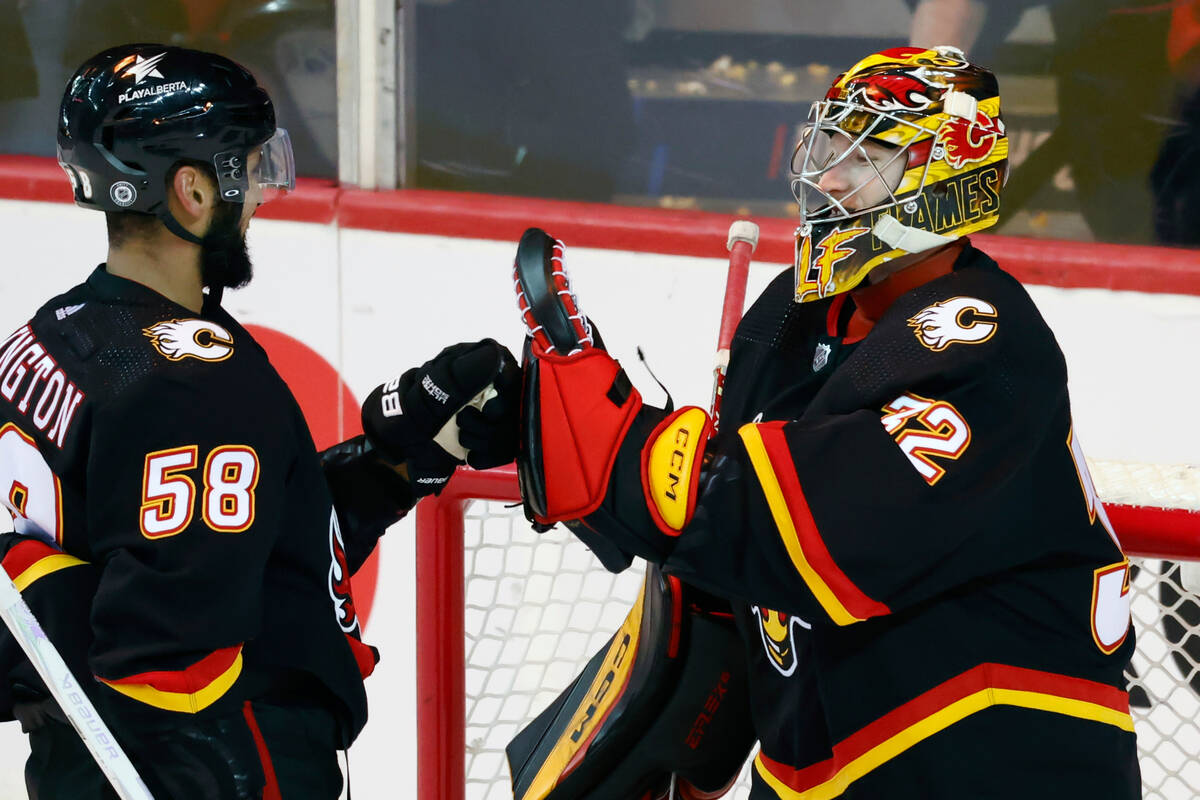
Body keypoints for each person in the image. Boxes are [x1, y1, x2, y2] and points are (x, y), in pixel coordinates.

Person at [512, 46, 1140, 798]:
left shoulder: (988, 345)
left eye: (870, 151)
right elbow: (730, 569)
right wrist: (686, 770)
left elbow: (793, 528)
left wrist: (604, 442)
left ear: (950, 179)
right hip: (836, 763)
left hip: (1001, 764)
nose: (832, 175)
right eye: (830, 145)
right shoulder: (787, 316)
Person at [0, 44, 518, 799]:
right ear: (192, 192)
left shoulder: (49, 338)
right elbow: (171, 669)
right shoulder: (191, 387)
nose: (263, 196)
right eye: (249, 167)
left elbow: (222, 558)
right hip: (208, 771)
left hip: (78, 764)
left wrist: (391, 468)